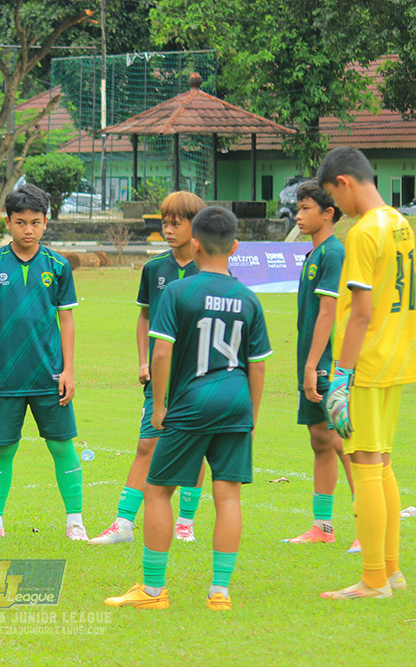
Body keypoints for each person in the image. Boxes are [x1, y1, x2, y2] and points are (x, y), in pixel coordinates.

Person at [105, 206, 271, 611]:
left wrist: (160, 406)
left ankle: (153, 591)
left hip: (191, 402)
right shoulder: (248, 298)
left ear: (195, 245)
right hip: (236, 402)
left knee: (158, 490)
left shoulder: (179, 292)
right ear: (235, 247)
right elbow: (258, 365)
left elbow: (161, 353)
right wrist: (252, 414)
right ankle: (220, 593)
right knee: (227, 496)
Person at [317, 147, 416, 600]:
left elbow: (360, 313)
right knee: (382, 462)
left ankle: (375, 579)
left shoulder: (363, 232)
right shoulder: (400, 222)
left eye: (333, 196)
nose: (337, 207)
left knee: (365, 464)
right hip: (397, 356)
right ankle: (391, 570)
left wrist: (341, 375)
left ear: (344, 182)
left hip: (368, 362)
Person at [90, 191, 207, 546]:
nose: (168, 230)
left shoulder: (211, 269)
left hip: (198, 378)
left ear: (196, 226)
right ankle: (123, 524)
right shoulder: (154, 268)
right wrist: (143, 360)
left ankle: (185, 523)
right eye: (165, 223)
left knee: (195, 448)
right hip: (160, 376)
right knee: (146, 445)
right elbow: (144, 317)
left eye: (176, 223)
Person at [0, 184, 84, 541]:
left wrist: (68, 370)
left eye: (35, 222)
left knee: (61, 445)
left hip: (50, 375)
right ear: (7, 222)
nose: (28, 230)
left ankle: (75, 522)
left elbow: (66, 320)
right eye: (21, 222)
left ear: (46, 222)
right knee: (3, 448)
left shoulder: (58, 265)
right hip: (5, 377)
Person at [283, 180, 357, 549]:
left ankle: (367, 526)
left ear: (328, 213)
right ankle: (323, 526)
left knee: (345, 442)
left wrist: (313, 365)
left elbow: (329, 312)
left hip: (326, 362)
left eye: (305, 208)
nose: (298, 215)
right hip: (310, 361)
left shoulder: (333, 253)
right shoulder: (314, 252)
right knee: (320, 440)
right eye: (298, 207)